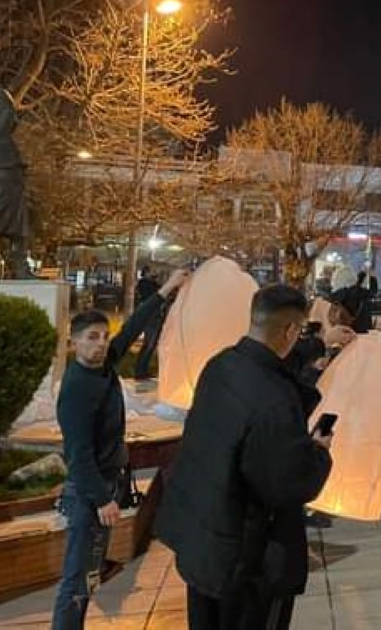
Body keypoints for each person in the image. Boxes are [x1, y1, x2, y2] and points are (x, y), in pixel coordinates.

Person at [156, 284, 334, 630]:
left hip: (203, 539)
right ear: (290, 331)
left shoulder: (220, 366)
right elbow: (291, 483)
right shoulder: (273, 401)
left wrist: (318, 345)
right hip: (245, 559)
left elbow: (266, 369)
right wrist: (318, 453)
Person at [53, 269, 188, 628]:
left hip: (106, 484)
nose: (100, 344)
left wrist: (168, 288)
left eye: (103, 336)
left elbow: (131, 328)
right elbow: (78, 454)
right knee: (76, 580)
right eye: (91, 338)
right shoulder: (78, 388)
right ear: (74, 342)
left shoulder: (102, 366)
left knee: (89, 574)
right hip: (89, 494)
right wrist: (102, 499)